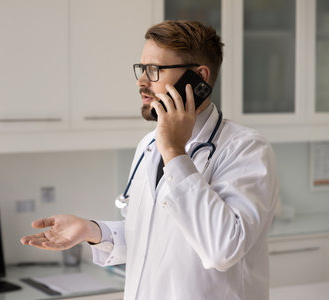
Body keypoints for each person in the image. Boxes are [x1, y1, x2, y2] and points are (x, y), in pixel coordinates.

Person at [20, 20, 279, 300]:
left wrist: (175, 153)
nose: (141, 81)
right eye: (142, 69)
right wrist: (92, 230)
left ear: (199, 77)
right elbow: (148, 236)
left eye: (154, 70)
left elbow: (223, 249)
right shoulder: (149, 144)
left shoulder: (245, 149)